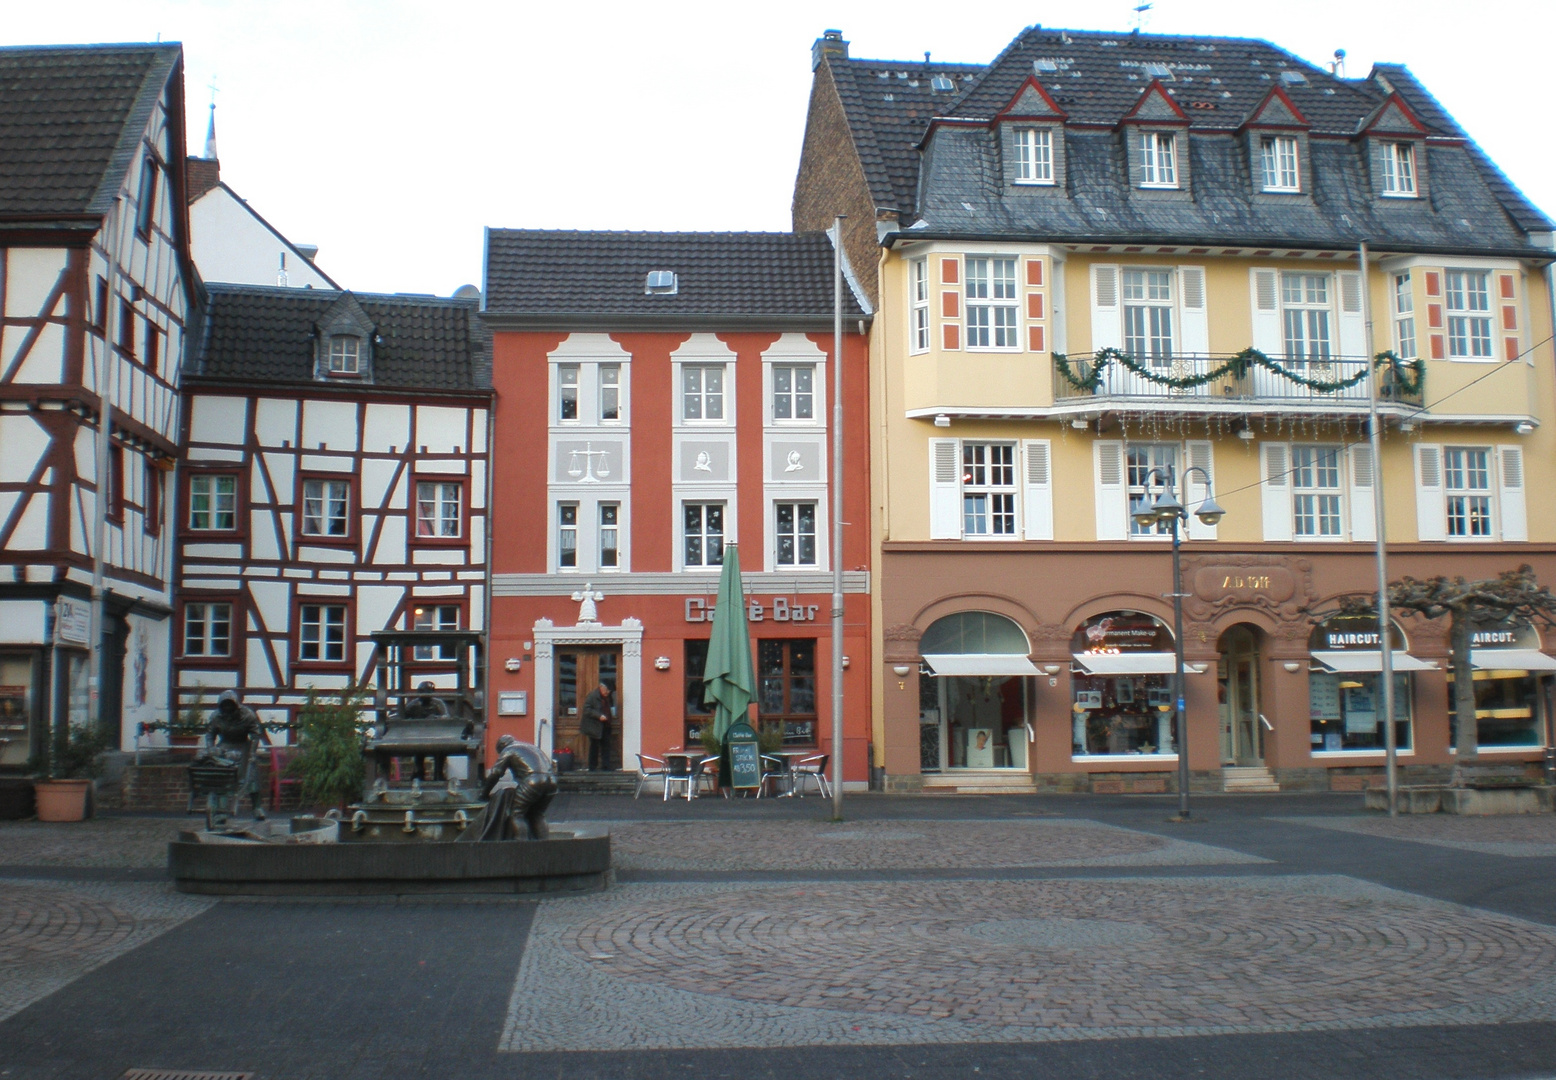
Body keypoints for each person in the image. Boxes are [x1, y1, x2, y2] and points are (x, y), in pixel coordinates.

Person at [460, 734, 557, 841]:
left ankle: (522, 845)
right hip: (552, 781)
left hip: (533, 781)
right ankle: (544, 845)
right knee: (538, 814)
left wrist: (484, 794)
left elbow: (495, 773)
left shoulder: (508, 750)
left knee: (517, 814)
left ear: (501, 746)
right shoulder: (531, 747)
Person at [194, 689, 267, 822]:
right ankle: (221, 811)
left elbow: (256, 735)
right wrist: (211, 749)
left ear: (235, 705)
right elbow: (210, 734)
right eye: (224, 705)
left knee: (251, 773)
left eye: (230, 705)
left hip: (243, 745)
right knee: (222, 775)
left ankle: (257, 807)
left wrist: (251, 753)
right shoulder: (216, 717)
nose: (227, 708)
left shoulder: (247, 715)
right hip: (225, 746)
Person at [579, 682, 614, 771]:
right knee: (594, 747)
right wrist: (598, 716)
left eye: (609, 691)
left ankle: (606, 767)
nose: (607, 693)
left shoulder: (607, 697)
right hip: (594, 726)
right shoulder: (592, 696)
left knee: (606, 746)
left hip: (605, 725)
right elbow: (587, 710)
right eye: (606, 690)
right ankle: (592, 767)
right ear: (601, 687)